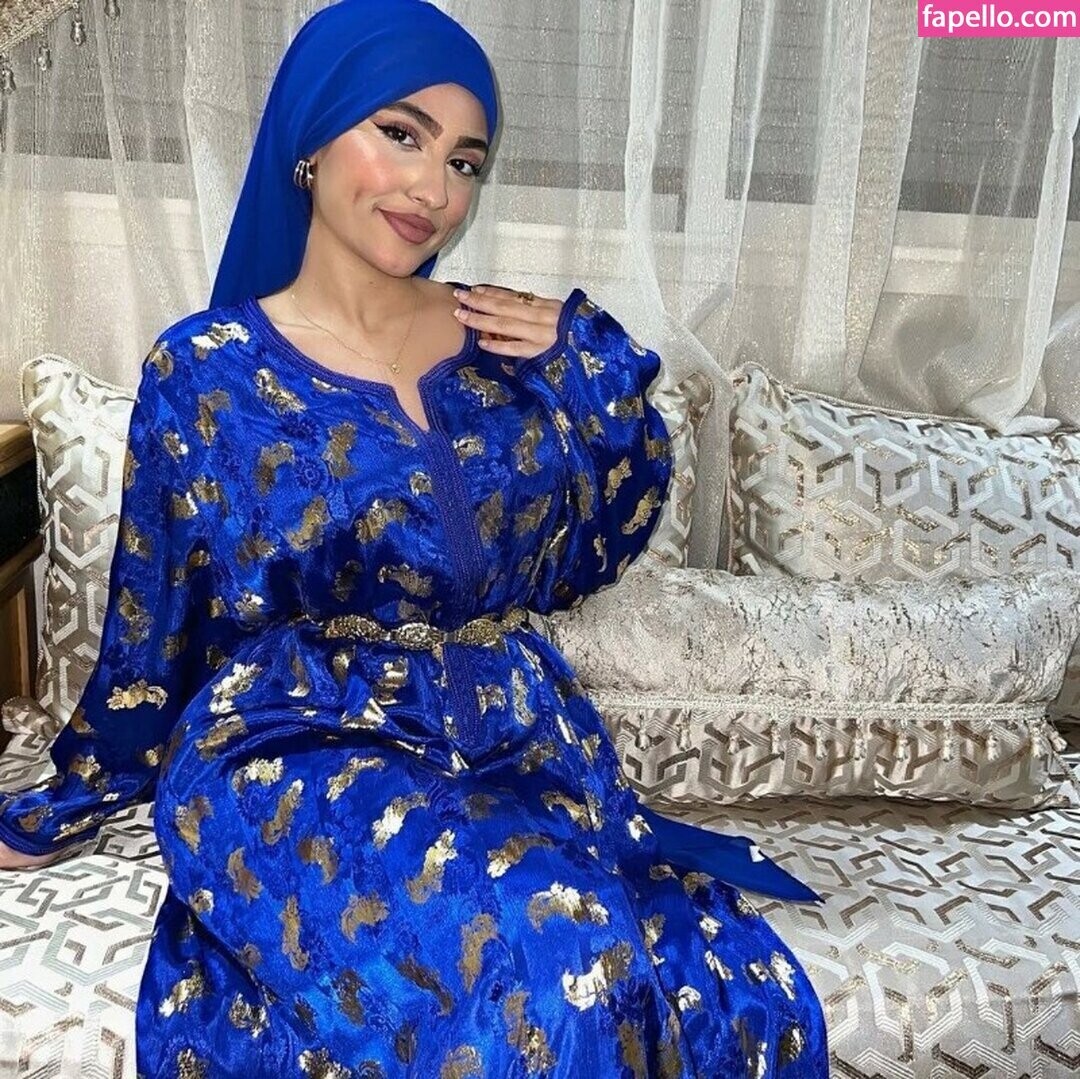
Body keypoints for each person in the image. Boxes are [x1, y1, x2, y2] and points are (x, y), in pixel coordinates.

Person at [0, 1, 828, 1074]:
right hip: (298, 743)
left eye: (465, 161)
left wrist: (588, 365)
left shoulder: (505, 346)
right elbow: (153, 622)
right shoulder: (204, 370)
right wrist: (67, 794)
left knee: (647, 970)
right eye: (401, 133)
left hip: (515, 741)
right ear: (310, 137)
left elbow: (593, 552)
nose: (434, 190)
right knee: (560, 955)